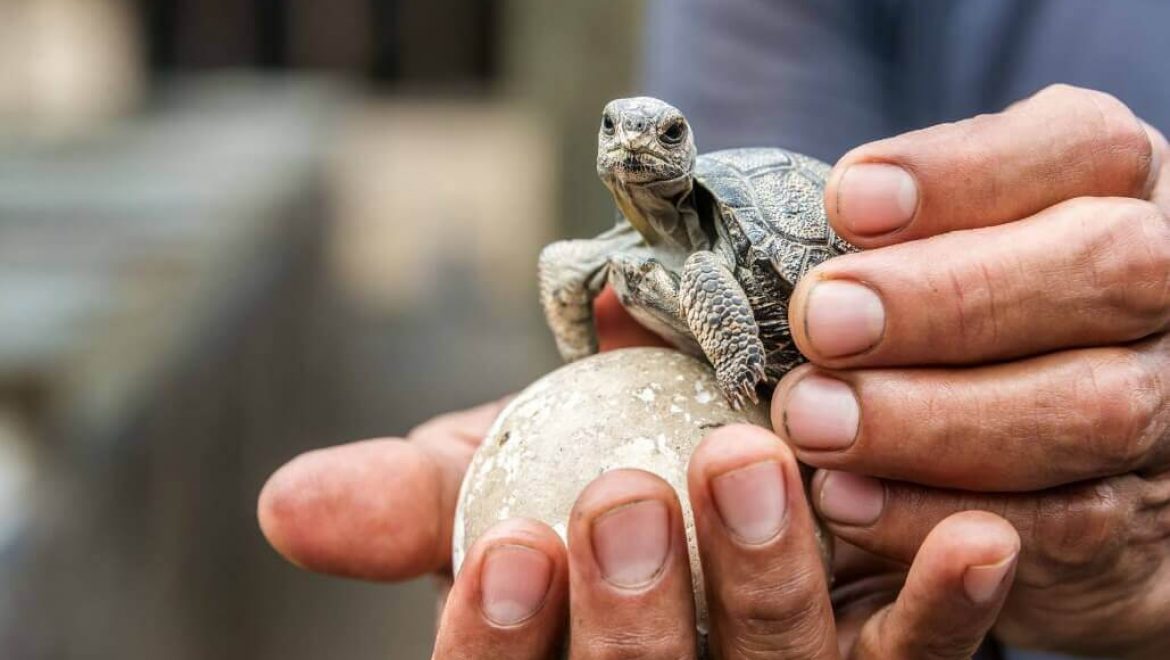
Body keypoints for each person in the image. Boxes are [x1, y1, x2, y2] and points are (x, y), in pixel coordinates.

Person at [258, 1, 1170, 657]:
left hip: (858, 375)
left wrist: (744, 395)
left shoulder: (705, 255)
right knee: (570, 261)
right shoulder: (618, 253)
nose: (637, 146)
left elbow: (719, 283)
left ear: (685, 151)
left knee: (694, 277)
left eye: (663, 136)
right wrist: (581, 384)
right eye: (620, 131)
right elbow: (574, 278)